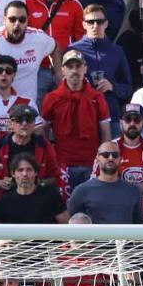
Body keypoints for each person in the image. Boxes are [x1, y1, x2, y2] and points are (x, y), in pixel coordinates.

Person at [43, 49, 111, 186]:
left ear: (85, 69)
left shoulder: (97, 97)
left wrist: (104, 160)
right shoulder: (52, 98)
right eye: (70, 66)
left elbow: (105, 132)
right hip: (62, 163)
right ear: (63, 70)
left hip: (91, 163)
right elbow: (44, 133)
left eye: (78, 66)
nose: (74, 71)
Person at [70, 2, 132, 130]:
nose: (95, 26)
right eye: (90, 22)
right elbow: (64, 85)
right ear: (83, 25)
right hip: (82, 116)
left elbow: (128, 88)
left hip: (111, 116)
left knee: (111, 150)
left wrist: (112, 86)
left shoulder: (117, 51)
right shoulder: (73, 50)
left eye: (99, 21)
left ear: (106, 23)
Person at [67, 141, 143, 224]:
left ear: (120, 159)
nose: (110, 158)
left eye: (115, 155)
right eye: (105, 155)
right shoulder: (81, 191)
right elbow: (72, 227)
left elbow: (140, 226)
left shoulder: (133, 191)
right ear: (97, 159)